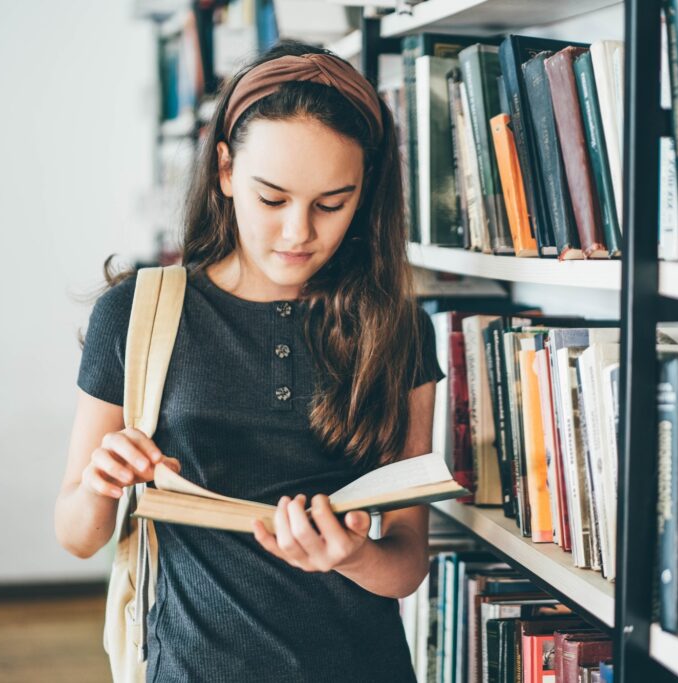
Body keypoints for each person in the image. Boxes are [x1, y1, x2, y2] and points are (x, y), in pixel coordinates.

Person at [54, 39, 444, 682]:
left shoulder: (395, 328)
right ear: (226, 171)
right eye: (273, 199)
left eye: (331, 203)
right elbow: (76, 535)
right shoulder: (138, 313)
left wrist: (348, 554)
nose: (299, 233)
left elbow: (405, 564)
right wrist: (100, 483)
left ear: (365, 189)